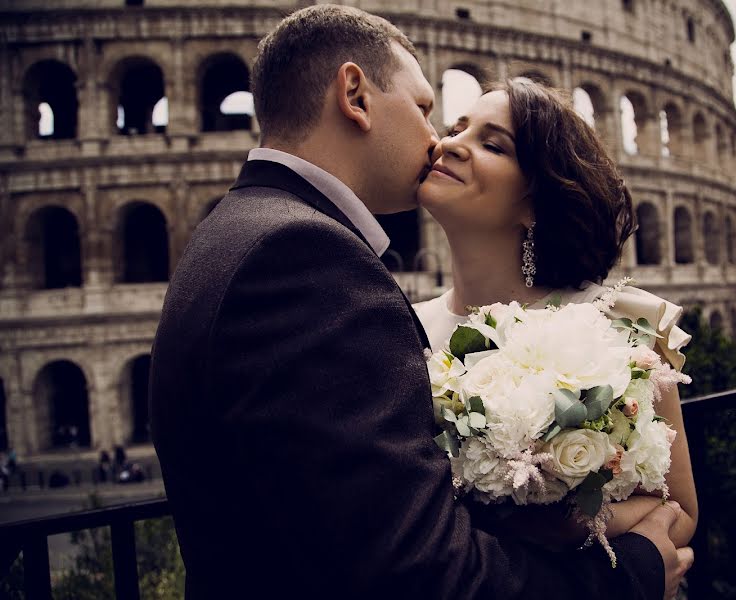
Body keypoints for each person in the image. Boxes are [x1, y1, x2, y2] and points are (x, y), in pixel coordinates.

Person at [150, 5, 688, 598]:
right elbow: (419, 567)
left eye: (492, 142)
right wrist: (624, 573)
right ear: (354, 94)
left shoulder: (242, 235)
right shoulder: (304, 258)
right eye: (430, 112)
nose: (439, 142)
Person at [414, 80, 699, 547]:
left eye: (491, 144)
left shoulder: (618, 324)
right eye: (455, 129)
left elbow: (680, 508)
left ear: (534, 201)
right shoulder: (407, 327)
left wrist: (565, 529)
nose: (448, 145)